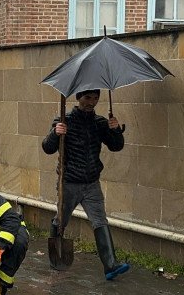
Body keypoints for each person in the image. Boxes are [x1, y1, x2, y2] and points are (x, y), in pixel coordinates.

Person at [42, 89, 130, 281]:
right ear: (79, 98)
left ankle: (110, 265)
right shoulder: (64, 120)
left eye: (96, 98)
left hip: (91, 183)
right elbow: (47, 148)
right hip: (69, 183)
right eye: (88, 98)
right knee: (60, 221)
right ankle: (55, 258)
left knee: (100, 220)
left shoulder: (98, 123)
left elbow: (116, 146)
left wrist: (115, 129)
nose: (92, 102)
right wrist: (55, 134)